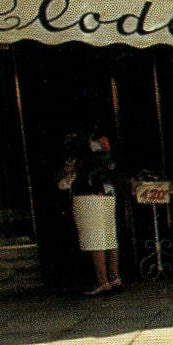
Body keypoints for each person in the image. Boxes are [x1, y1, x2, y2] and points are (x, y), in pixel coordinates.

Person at [58, 126, 121, 295]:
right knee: (109, 236)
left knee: (94, 238)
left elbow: (69, 170)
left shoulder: (78, 145)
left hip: (87, 193)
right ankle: (115, 277)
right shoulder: (102, 144)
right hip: (107, 191)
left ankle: (102, 281)